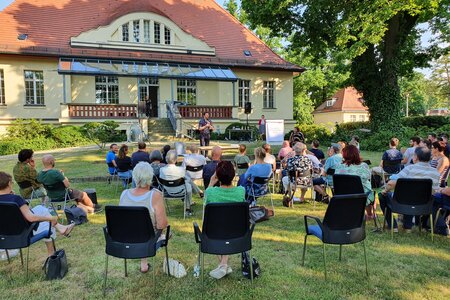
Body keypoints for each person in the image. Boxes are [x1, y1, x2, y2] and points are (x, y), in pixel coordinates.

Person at [0, 172, 75, 256]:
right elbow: (31, 218)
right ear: (9, 183)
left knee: (40, 209)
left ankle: (61, 228)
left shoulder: (13, 199)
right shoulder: (16, 199)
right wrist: (50, 219)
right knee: (46, 220)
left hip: (3, 237)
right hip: (22, 236)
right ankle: (51, 253)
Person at [119, 162, 168, 273]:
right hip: (149, 241)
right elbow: (162, 225)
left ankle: (144, 264)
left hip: (126, 238)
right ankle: (145, 263)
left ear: (135, 176)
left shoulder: (124, 194)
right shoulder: (155, 195)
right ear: (150, 177)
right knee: (164, 231)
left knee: (139, 227)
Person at [379, 147, 440, 232]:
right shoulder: (435, 172)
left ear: (416, 157)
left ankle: (393, 226)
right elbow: (435, 191)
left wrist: (385, 190)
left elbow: (391, 183)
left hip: (403, 202)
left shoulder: (410, 169)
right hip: (424, 205)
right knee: (412, 194)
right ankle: (408, 227)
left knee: (382, 195)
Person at [203, 161, 245, 279]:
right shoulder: (241, 191)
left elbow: (204, 204)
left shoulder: (210, 192)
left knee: (218, 228)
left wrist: (211, 182)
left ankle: (223, 265)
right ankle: (224, 265)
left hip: (215, 232)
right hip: (236, 231)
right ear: (233, 175)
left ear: (217, 176)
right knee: (225, 227)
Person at [159, 150, 194, 216]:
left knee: (187, 184)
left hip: (168, 192)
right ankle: (188, 208)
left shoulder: (162, 170)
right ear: (176, 159)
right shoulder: (181, 169)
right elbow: (185, 179)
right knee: (188, 186)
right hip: (181, 191)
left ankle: (188, 207)